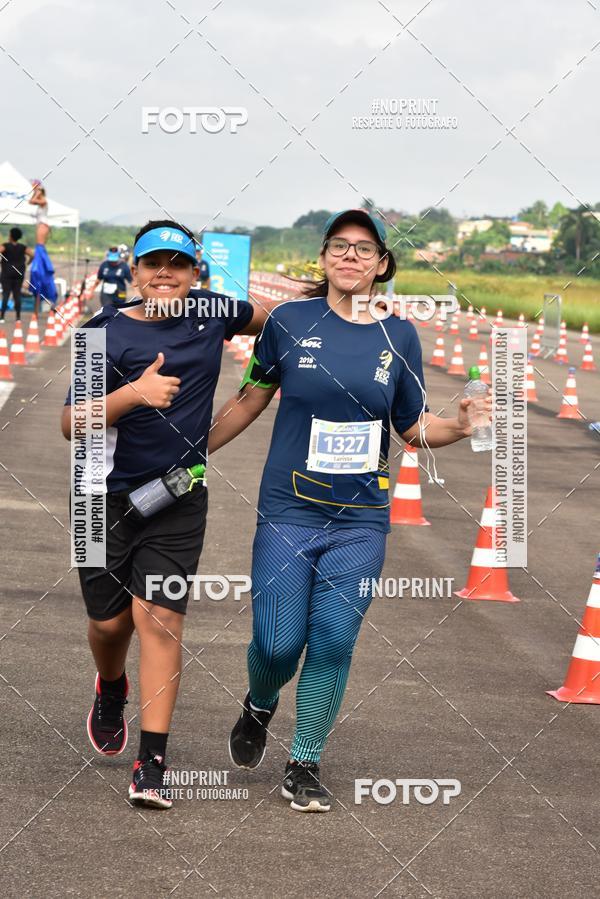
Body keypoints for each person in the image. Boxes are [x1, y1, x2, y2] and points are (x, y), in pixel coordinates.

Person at [208, 208, 491, 812]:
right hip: (288, 510)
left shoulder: (400, 335)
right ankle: (260, 702)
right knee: (279, 642)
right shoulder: (287, 322)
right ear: (323, 258)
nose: (350, 256)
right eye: (339, 246)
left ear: (382, 265)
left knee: (334, 639)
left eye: (364, 249)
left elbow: (412, 427)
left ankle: (303, 761)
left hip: (361, 519)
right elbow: (249, 399)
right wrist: (188, 451)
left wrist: (462, 428)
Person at [60, 219, 280, 810]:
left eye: (177, 264)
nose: (165, 273)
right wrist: (133, 395)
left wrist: (337, 306)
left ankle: (152, 762)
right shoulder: (98, 332)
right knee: (109, 624)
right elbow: (68, 424)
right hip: (96, 498)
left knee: (158, 618)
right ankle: (111, 686)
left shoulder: (214, 312)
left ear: (194, 273)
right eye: (153, 263)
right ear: (134, 272)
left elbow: (278, 320)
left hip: (177, 497)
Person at [28, 180, 56, 315]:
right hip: (42, 227)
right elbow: (31, 201)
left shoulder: (43, 200)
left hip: (43, 226)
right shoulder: (41, 200)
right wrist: (35, 191)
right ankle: (38, 307)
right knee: (38, 274)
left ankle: (48, 301)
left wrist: (37, 191)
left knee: (40, 252)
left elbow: (31, 202)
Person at [0, 228, 34, 322]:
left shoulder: (5, 246)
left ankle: (2, 317)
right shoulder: (23, 247)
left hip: (6, 274)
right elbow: (32, 255)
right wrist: (27, 263)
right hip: (19, 273)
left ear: (11, 236)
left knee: (6, 294)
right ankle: (18, 317)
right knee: (17, 295)